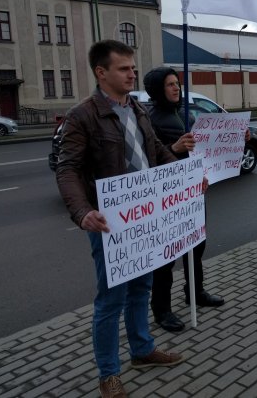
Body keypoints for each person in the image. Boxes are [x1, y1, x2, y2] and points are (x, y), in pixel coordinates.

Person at [56, 41, 197, 398]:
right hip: (109, 222)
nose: (132, 73)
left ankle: (142, 350)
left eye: (133, 67)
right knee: (110, 300)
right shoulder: (83, 115)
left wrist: (187, 178)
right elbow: (68, 168)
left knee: (141, 289)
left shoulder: (138, 110)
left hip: (144, 218)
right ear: (101, 73)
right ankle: (109, 374)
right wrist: (82, 212)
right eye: (123, 68)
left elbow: (156, 153)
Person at [143, 67, 224, 334]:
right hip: (166, 197)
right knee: (166, 255)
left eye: (177, 83)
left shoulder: (184, 114)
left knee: (196, 245)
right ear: (157, 89)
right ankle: (162, 309)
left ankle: (195, 291)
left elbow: (199, 150)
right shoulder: (149, 118)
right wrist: (173, 149)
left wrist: (205, 172)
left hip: (191, 192)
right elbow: (146, 162)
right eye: (169, 84)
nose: (176, 88)